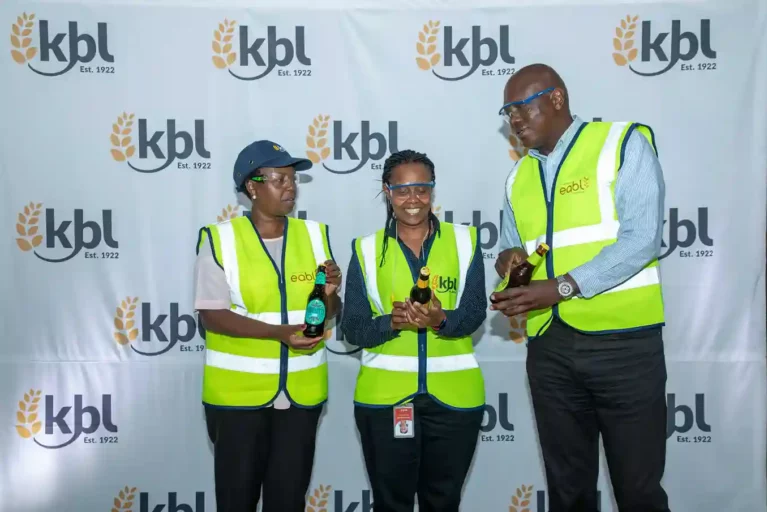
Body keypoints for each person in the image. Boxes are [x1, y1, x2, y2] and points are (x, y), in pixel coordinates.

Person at [490, 63, 670, 512]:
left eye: (521, 108)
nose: (513, 120)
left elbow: (643, 237)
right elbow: (516, 249)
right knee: (568, 491)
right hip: (550, 349)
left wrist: (564, 287)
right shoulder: (518, 177)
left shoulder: (622, 142)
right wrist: (507, 262)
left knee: (638, 491)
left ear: (556, 99)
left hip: (624, 346)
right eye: (506, 113)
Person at [193, 140, 342, 512]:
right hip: (238, 399)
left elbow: (328, 309)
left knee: (288, 500)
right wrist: (279, 334)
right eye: (278, 178)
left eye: (292, 178)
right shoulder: (220, 239)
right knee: (237, 500)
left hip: (301, 396)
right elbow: (211, 315)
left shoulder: (314, 235)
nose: (289, 186)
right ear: (252, 187)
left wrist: (330, 294)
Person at [341, 149, 487, 512]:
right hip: (386, 400)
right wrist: (391, 322)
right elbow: (353, 328)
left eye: (422, 188)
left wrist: (440, 320)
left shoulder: (465, 241)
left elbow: (473, 313)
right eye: (403, 190)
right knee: (392, 504)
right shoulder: (365, 249)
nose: (413, 199)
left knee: (443, 502)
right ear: (387, 191)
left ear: (433, 191)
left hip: (455, 401)